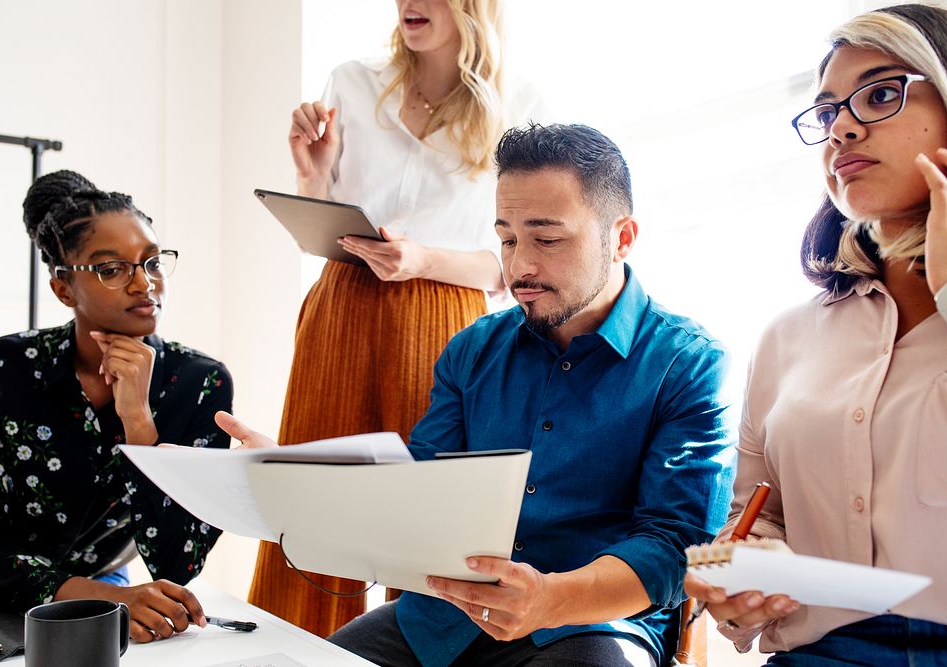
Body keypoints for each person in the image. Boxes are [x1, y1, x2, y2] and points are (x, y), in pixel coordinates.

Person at [218, 123, 735, 666]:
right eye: (507, 239)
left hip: (589, 627)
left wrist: (549, 600)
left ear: (622, 238)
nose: (519, 267)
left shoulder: (691, 363)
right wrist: (292, 478)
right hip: (442, 620)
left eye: (547, 239)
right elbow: (418, 493)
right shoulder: (471, 351)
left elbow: (679, 550)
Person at [250, 0, 545, 637]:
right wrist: (313, 169)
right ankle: (292, 653)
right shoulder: (351, 81)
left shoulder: (519, 104)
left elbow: (511, 266)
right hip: (343, 306)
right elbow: (319, 231)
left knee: (423, 521)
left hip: (446, 320)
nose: (411, 3)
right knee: (312, 504)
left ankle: (416, 650)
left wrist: (421, 259)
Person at [684, 4, 947, 665]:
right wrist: (743, 571)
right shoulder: (784, 338)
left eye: (881, 94)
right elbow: (751, 519)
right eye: (829, 113)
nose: (845, 126)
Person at [0, 170, 234, 643]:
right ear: (63, 288)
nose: (144, 284)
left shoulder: (200, 384)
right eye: (111, 269)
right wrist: (102, 597)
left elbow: (177, 562)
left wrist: (139, 422)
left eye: (152, 262)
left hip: (105, 590)